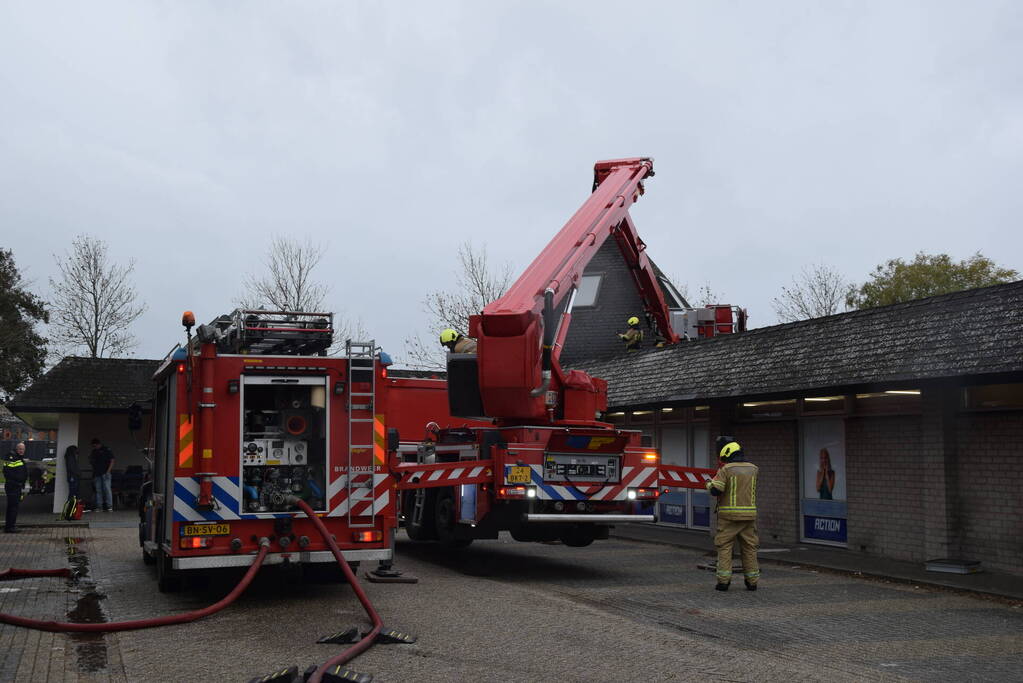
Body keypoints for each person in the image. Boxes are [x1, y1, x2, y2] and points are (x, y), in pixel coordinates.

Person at [705, 436, 760, 591]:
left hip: (728, 517)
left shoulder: (726, 469)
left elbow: (716, 490)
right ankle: (752, 582)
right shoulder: (753, 469)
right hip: (749, 516)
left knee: (725, 547)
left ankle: (723, 582)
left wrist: (708, 483)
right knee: (750, 548)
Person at [3, 442, 28, 533]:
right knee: (13, 507)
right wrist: (16, 482)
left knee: (13, 507)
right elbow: (7, 472)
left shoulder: (19, 458)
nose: (22, 451)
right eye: (20, 449)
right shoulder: (11, 457)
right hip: (12, 486)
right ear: (17, 449)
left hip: (17, 486)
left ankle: (10, 526)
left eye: (23, 449)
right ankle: (10, 527)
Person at [89, 437, 115, 511]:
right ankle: (99, 506)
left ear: (98, 444)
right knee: (98, 490)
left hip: (105, 473)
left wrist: (108, 471)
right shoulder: (94, 451)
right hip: (97, 474)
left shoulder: (106, 449)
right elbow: (92, 462)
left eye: (95, 445)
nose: (94, 447)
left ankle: (109, 506)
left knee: (107, 489)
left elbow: (112, 461)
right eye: (93, 446)